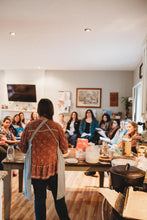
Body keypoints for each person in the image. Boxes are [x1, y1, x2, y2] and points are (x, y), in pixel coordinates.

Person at [19, 98, 70, 220]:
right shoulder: (57, 127)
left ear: (39, 110)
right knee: (59, 200)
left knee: (40, 201)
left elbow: (23, 148)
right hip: (54, 169)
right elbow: (64, 149)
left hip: (36, 171)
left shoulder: (30, 126)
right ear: (51, 111)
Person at [79, 109, 98, 176]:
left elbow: (97, 129)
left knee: (90, 151)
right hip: (84, 136)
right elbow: (80, 128)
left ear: (92, 113)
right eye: (87, 113)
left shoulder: (95, 121)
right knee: (83, 150)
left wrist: (91, 134)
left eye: (90, 113)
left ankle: (91, 169)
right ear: (86, 114)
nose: (88, 114)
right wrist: (82, 133)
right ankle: (85, 166)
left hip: (92, 136)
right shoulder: (83, 120)